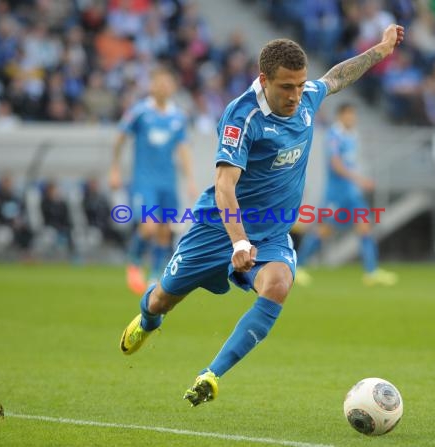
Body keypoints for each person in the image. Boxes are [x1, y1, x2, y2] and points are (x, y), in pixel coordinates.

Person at [120, 25, 405, 407]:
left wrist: (381, 49)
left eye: (300, 85)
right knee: (161, 300)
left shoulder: (306, 99)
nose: (296, 95)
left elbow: (335, 76)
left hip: (270, 234)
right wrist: (238, 240)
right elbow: (224, 186)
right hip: (217, 228)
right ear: (264, 79)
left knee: (278, 285)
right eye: (287, 87)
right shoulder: (242, 117)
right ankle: (149, 321)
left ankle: (211, 375)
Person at [109, 66, 197, 296]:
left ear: (173, 87)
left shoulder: (178, 116)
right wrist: (115, 169)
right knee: (148, 226)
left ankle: (155, 274)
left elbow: (183, 148)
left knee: (165, 229)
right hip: (144, 181)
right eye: (159, 83)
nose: (163, 87)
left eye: (167, 83)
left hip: (168, 181)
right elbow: (120, 138)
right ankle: (135, 260)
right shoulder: (140, 112)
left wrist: (189, 180)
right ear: (151, 86)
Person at [295, 103, 397, 286]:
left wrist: (356, 181)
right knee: (323, 231)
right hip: (336, 194)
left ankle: (371, 272)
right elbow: (335, 165)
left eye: (354, 115)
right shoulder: (334, 136)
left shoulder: (352, 135)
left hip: (351, 193)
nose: (353, 118)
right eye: (350, 115)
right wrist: (359, 179)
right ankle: (296, 267)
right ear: (340, 116)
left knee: (365, 227)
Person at [0, 173, 33, 255]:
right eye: (6, 182)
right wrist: (9, 222)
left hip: (16, 226)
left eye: (9, 182)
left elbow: (22, 211)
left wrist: (19, 221)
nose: (8, 184)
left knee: (27, 232)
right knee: (3, 237)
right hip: (3, 226)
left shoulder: (16, 197)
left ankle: (25, 255)